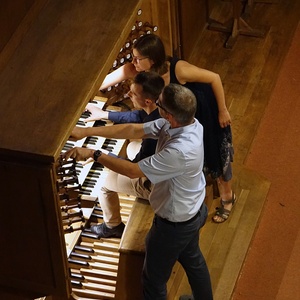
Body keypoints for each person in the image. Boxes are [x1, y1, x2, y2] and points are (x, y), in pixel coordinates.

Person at [63, 83, 213, 300]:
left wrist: (95, 154)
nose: (156, 104)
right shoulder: (187, 122)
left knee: (153, 281)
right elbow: (134, 129)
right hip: (192, 210)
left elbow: (133, 172)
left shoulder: (180, 150)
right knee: (193, 259)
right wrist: (86, 131)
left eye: (159, 103)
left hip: (174, 224)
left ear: (169, 115)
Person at [99, 33, 235, 223]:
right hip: (175, 119)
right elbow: (102, 83)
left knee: (216, 158)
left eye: (138, 58)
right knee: (194, 161)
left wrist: (223, 110)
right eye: (132, 57)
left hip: (203, 113)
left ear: (152, 60)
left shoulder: (179, 70)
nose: (133, 62)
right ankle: (197, 197)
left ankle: (227, 198)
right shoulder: (136, 70)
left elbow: (214, 78)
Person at [72, 71, 164, 238]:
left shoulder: (153, 136)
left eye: (133, 93)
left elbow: (133, 169)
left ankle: (112, 225)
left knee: (103, 183)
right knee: (132, 146)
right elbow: (136, 116)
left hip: (159, 185)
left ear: (148, 100)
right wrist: (105, 114)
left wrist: (99, 154)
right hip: (161, 166)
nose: (129, 95)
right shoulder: (160, 107)